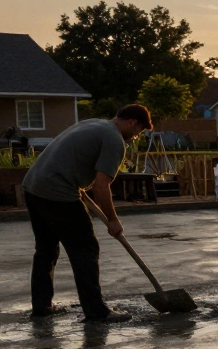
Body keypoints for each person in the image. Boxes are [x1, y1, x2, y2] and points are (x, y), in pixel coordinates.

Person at [20, 104, 152, 323]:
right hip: (57, 191)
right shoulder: (114, 139)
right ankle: (96, 311)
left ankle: (41, 306)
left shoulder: (93, 124)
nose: (136, 136)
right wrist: (113, 219)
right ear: (132, 122)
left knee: (46, 249)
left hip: (33, 187)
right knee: (85, 250)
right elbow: (101, 186)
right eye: (138, 131)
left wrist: (76, 182)